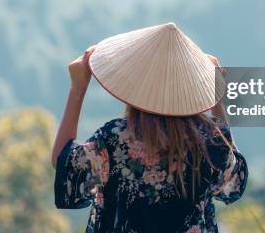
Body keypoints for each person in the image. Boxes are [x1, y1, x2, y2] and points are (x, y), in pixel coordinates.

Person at [51, 23, 247, 233]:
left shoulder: (115, 141)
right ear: (191, 85)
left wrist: (78, 88)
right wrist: (216, 95)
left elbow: (64, 162)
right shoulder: (211, 141)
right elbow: (233, 180)